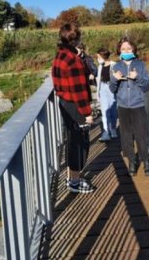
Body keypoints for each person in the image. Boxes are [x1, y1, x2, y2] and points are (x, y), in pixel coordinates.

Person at [51, 22, 95, 193]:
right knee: (79, 144)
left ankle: (72, 178)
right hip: (76, 106)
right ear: (76, 39)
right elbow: (79, 91)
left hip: (65, 103)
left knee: (72, 141)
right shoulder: (72, 61)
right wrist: (87, 113)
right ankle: (75, 182)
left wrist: (81, 57)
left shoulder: (60, 55)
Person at [110, 38, 149, 176]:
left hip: (138, 104)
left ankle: (146, 160)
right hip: (122, 106)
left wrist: (137, 77)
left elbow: (147, 86)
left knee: (141, 134)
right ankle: (132, 161)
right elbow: (112, 89)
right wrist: (115, 80)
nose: (126, 51)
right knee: (126, 136)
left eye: (129, 49)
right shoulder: (116, 66)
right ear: (119, 51)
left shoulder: (140, 65)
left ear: (134, 50)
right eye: (123, 49)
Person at [96, 48, 118, 142]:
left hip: (112, 88)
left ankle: (113, 128)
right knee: (104, 111)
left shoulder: (114, 65)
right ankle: (106, 132)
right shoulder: (100, 66)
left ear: (103, 56)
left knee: (113, 111)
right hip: (103, 88)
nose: (97, 59)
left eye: (98, 57)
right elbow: (99, 80)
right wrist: (98, 93)